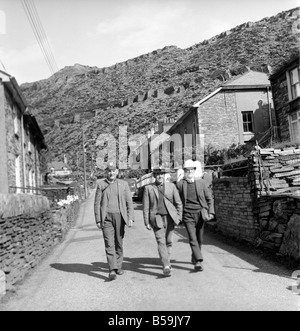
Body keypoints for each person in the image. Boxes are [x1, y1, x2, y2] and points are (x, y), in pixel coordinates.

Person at [94, 162, 134, 281]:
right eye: (109, 171)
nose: (111, 173)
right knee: (109, 243)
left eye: (113, 171)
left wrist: (130, 217)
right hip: (106, 218)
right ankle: (112, 269)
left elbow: (129, 202)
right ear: (106, 172)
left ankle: (119, 266)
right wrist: (98, 219)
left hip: (120, 217)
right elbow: (97, 204)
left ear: (117, 172)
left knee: (118, 242)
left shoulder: (123, 185)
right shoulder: (101, 185)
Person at [143, 167, 183, 277]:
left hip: (170, 218)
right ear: (154, 175)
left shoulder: (172, 186)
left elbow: (178, 203)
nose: (159, 176)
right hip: (156, 218)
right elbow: (146, 207)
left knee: (169, 242)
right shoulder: (149, 188)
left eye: (161, 174)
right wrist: (146, 221)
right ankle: (166, 265)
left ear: (164, 175)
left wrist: (179, 217)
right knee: (161, 241)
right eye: (157, 174)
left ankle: (167, 262)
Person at [177, 159, 214, 272]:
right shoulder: (180, 185)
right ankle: (199, 261)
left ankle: (194, 256)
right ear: (184, 171)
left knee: (199, 239)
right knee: (192, 238)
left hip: (200, 214)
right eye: (187, 170)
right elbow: (177, 201)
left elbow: (209, 199)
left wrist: (211, 212)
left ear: (194, 170)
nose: (189, 172)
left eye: (191, 169)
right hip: (187, 215)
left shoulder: (202, 183)